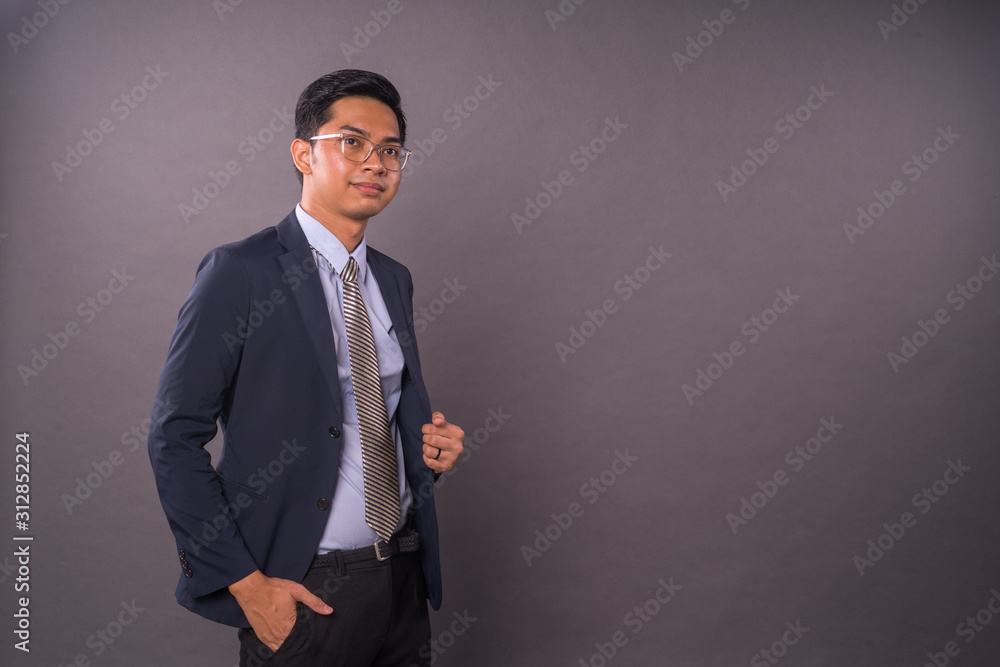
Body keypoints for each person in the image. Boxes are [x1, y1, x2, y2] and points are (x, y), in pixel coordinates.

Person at [148, 69, 464, 666]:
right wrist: (245, 584)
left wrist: (428, 455)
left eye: (390, 150)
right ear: (303, 154)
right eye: (352, 142)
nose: (375, 163)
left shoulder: (393, 279)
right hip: (304, 588)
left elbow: (363, 419)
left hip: (402, 577)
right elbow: (173, 438)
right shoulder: (240, 272)